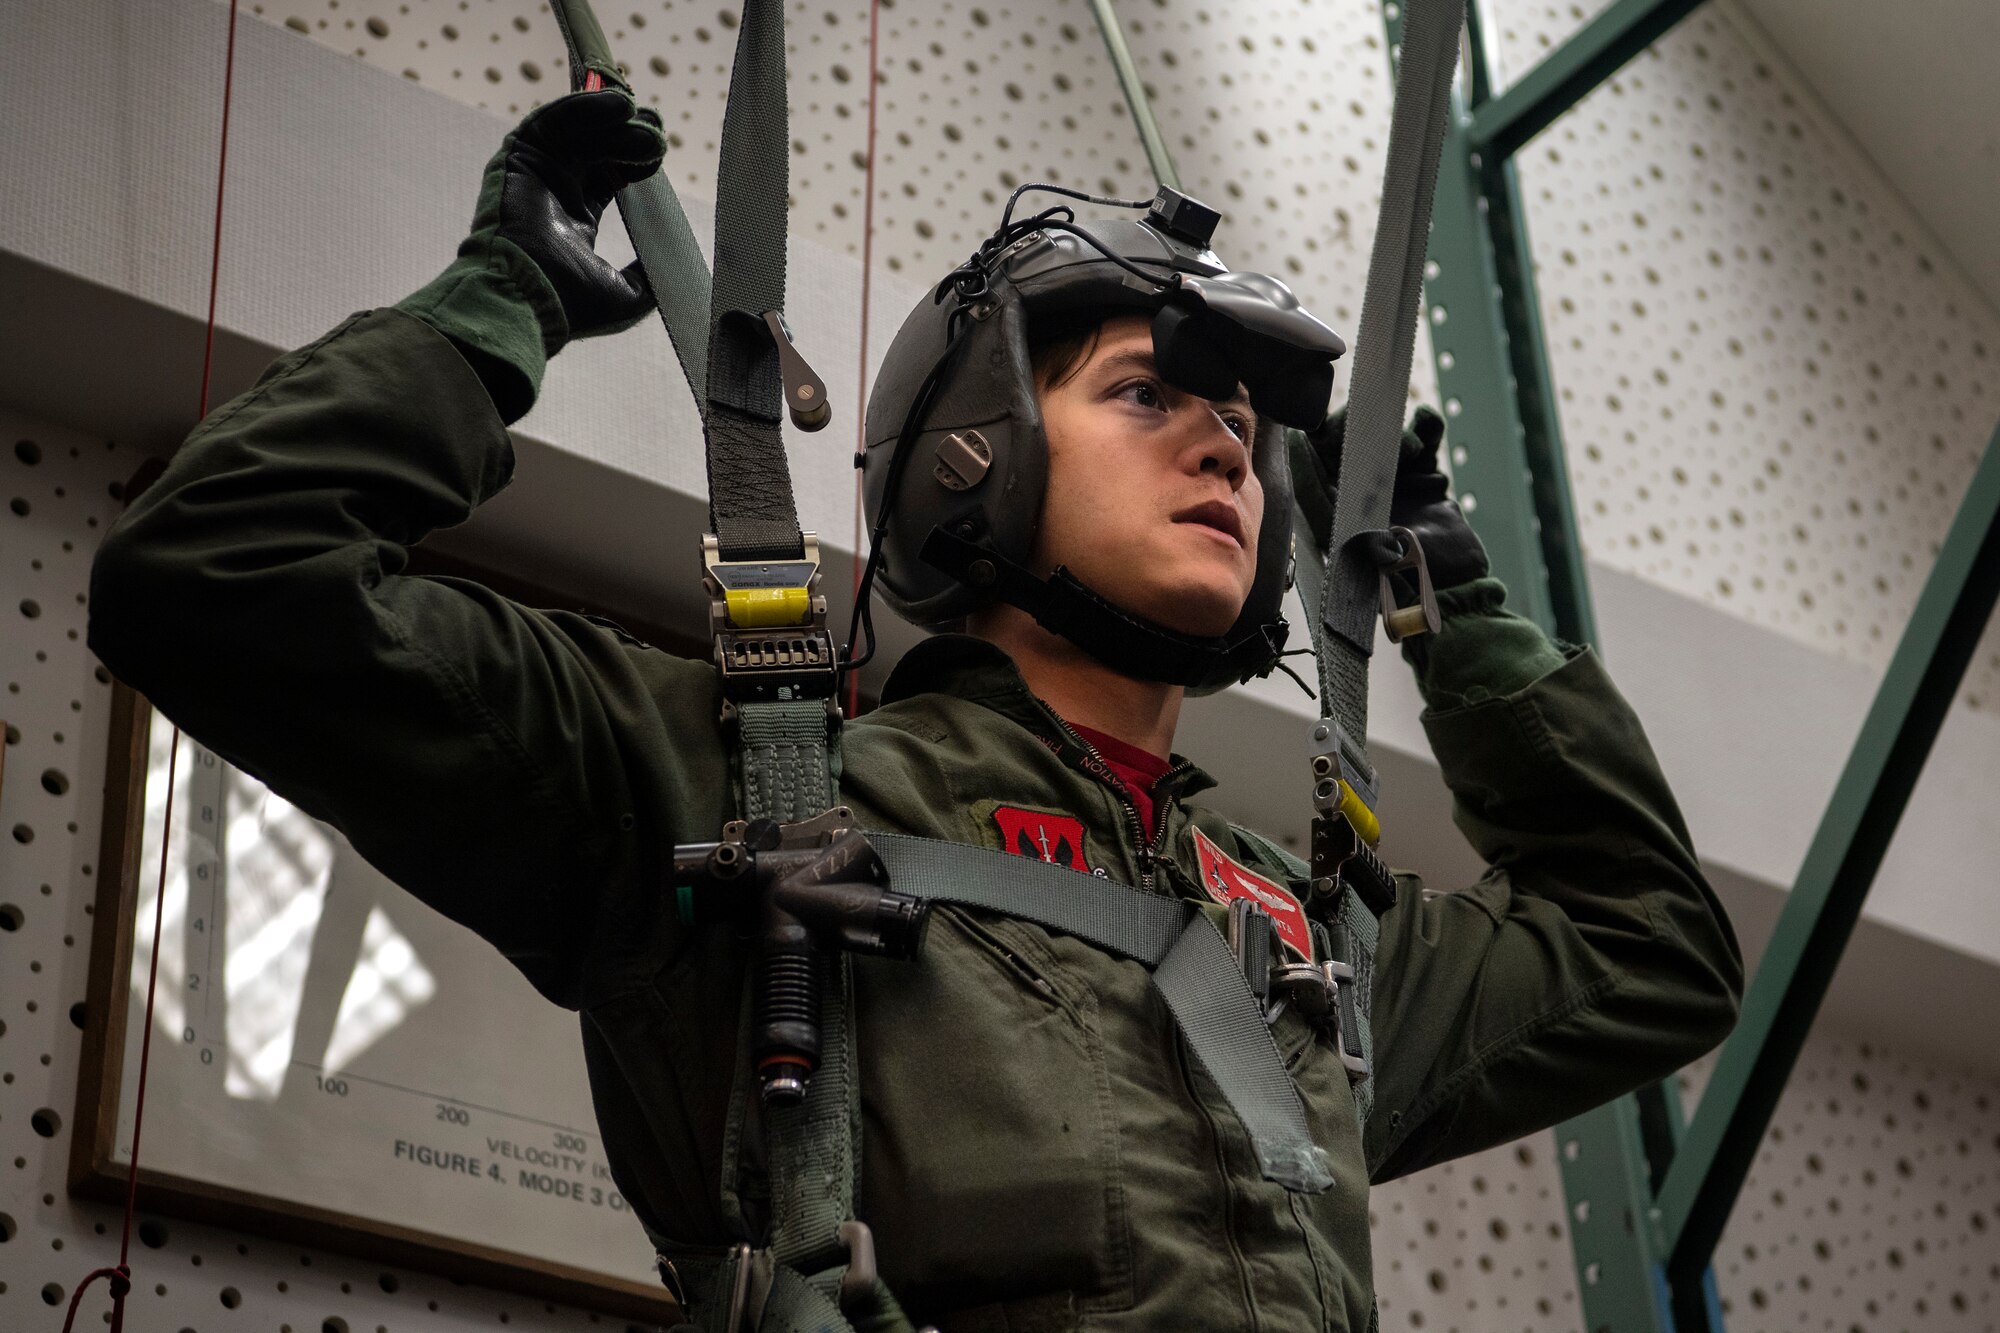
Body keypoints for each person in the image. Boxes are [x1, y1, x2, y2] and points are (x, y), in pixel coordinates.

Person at [89, 87, 1741, 1332]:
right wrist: (496, 304)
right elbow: (221, 577)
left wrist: (1457, 605)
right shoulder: (738, 787)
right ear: (976, 452)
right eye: (1149, 395)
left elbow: (1654, 945)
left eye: (1242, 425)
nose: (1230, 449)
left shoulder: (1302, 930)